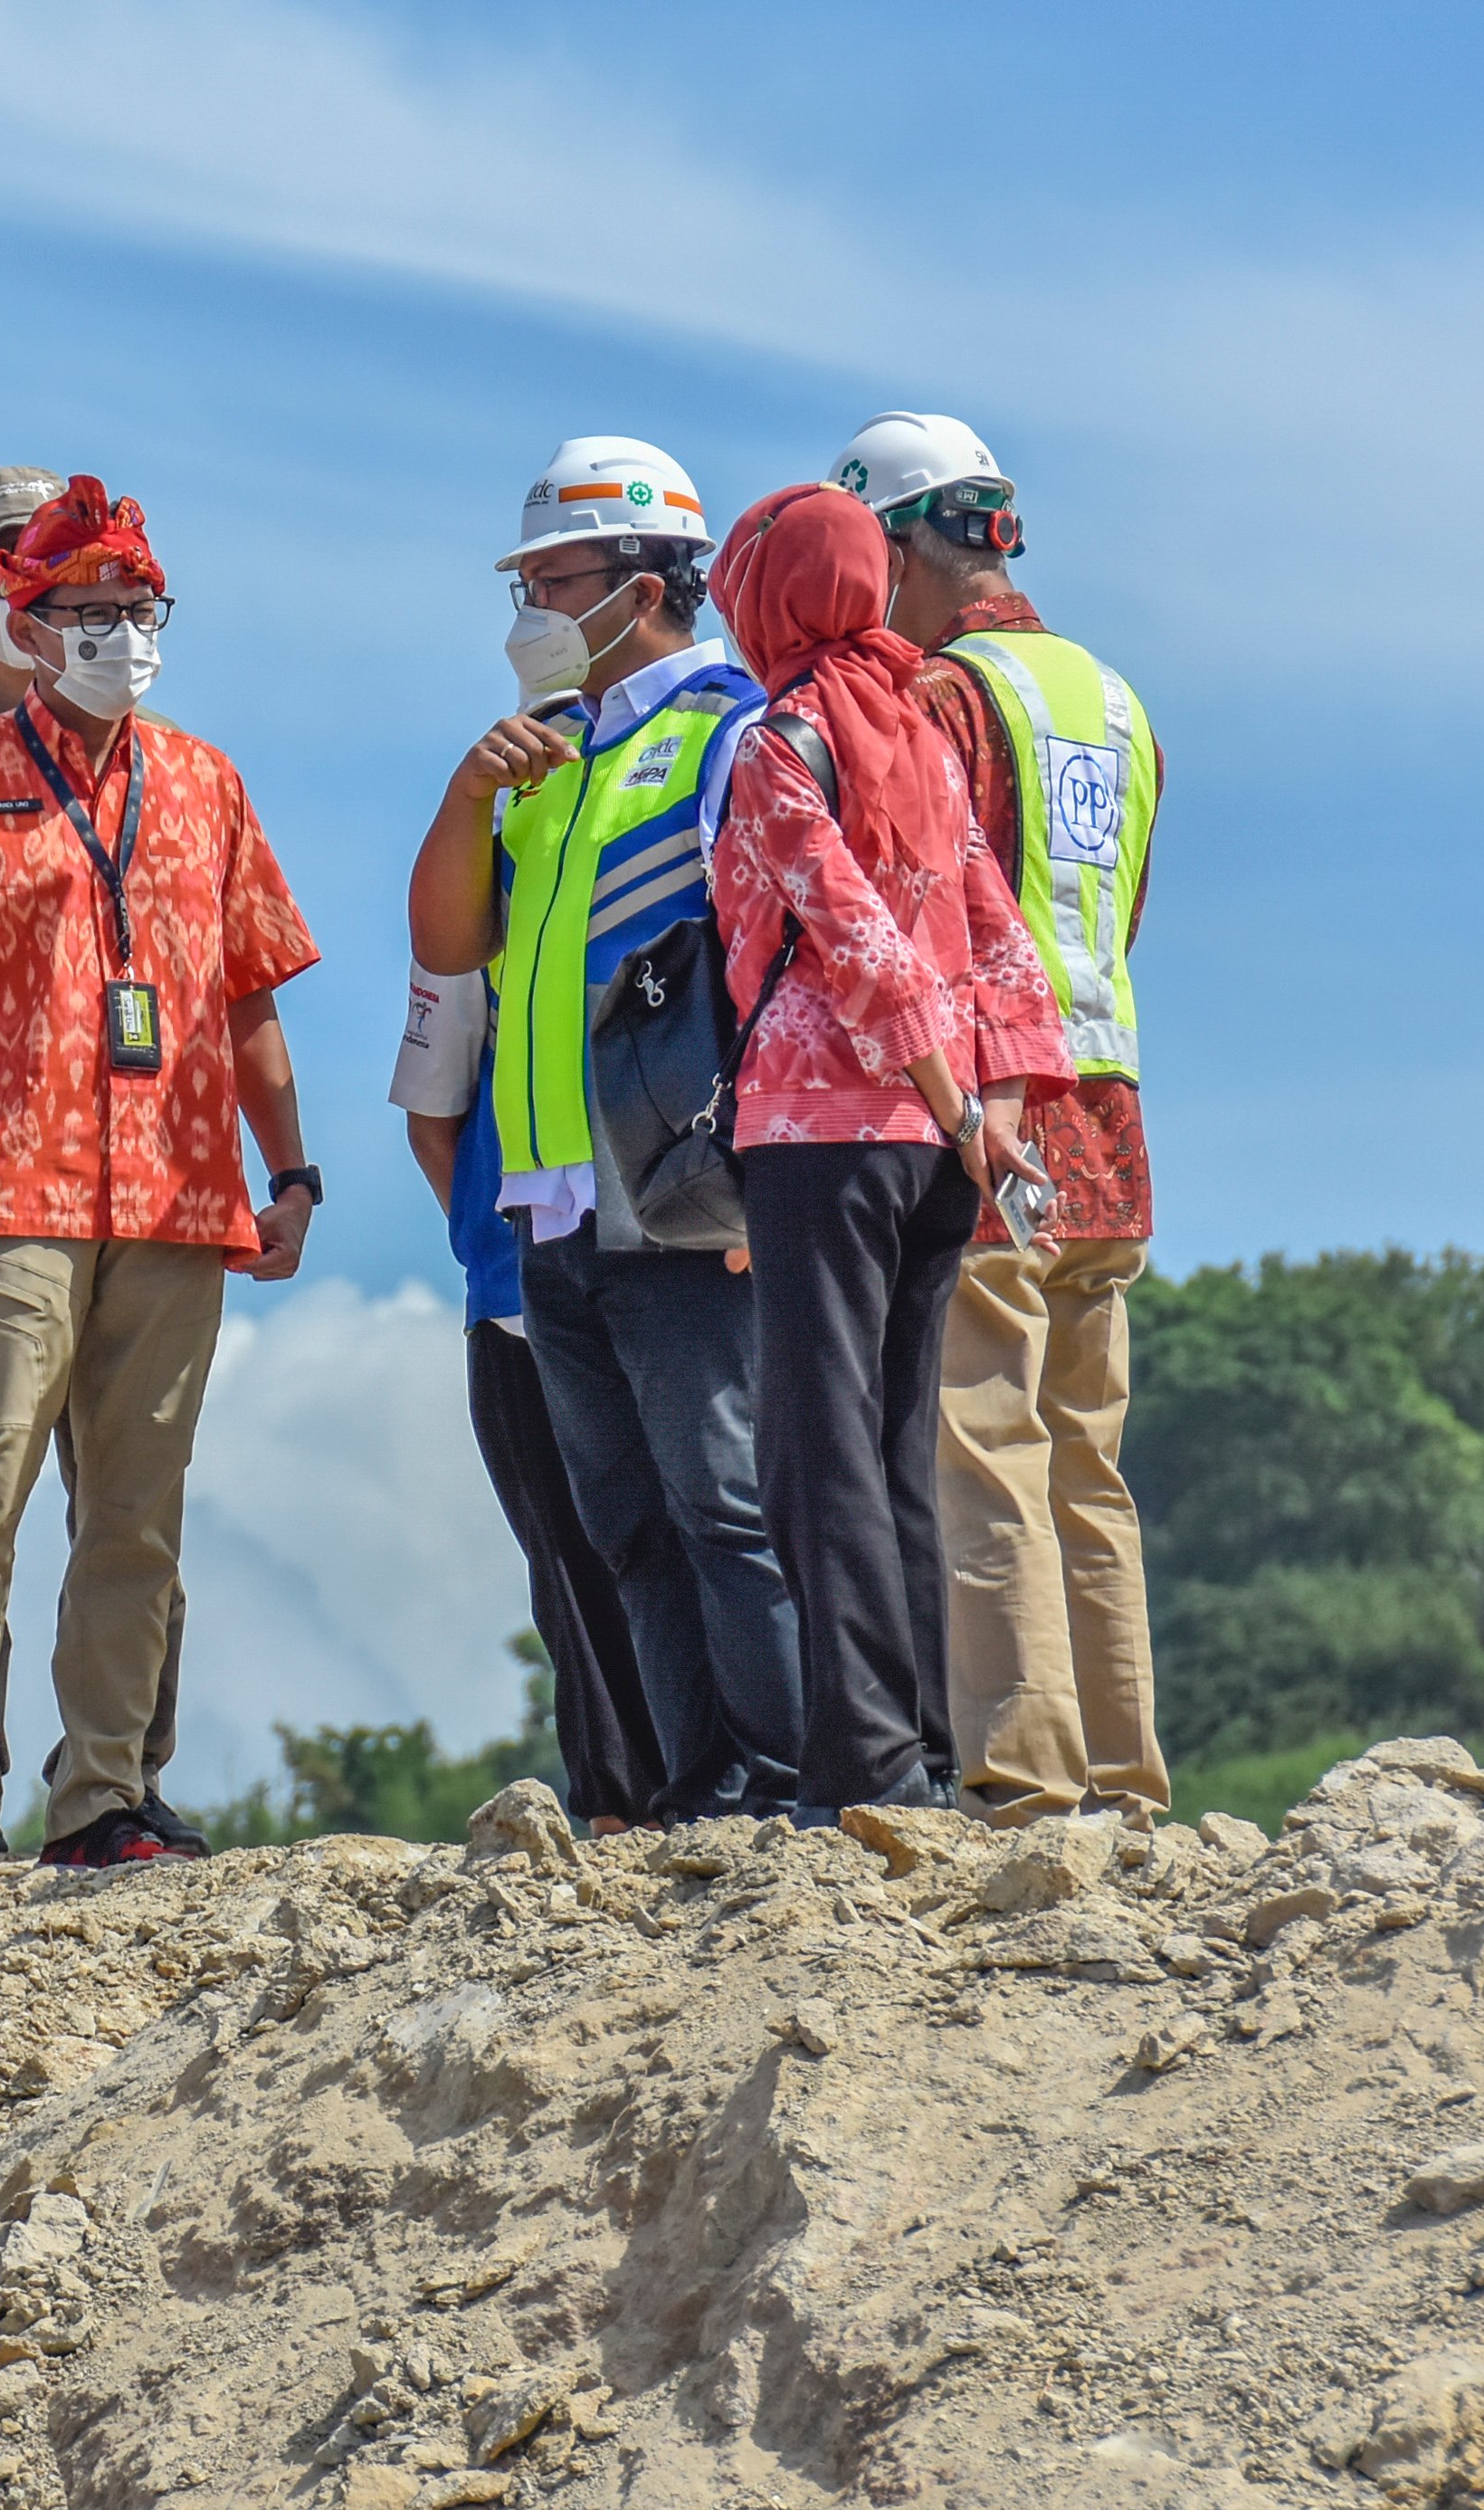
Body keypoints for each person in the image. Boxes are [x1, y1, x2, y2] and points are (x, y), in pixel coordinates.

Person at [0, 477, 321, 1879]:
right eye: (85, 612)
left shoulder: (207, 781)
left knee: (136, 1515)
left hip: (173, 1193)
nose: (114, 634)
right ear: (24, 627)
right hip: (6, 1195)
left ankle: (105, 1792)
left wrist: (294, 1172)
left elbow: (251, 994)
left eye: (134, 610)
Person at [404, 436, 805, 1821]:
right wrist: (472, 796)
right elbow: (453, 948)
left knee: (727, 1506)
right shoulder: (551, 758)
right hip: (554, 1198)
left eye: (549, 578)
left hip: (681, 1196)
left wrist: (761, 1187)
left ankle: (788, 1773)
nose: (525, 609)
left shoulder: (726, 733)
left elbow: (768, 957)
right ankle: (699, 1783)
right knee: (628, 1523)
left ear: (641, 586)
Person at [704, 482, 1072, 1817]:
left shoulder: (782, 737)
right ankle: (917, 1744)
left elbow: (849, 932)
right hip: (936, 1147)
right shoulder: (917, 729)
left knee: (818, 1450)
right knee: (898, 1435)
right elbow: (994, 927)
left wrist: (941, 1082)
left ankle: (856, 1760)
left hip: (821, 1127)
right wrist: (993, 1108)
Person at [833, 412, 1172, 1824]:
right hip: (1117, 1120)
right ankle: (1124, 1773)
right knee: (1090, 1460)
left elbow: (931, 924)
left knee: (985, 1449)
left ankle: (1026, 1778)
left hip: (1000, 1115)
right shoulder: (1114, 698)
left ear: (912, 544)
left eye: (871, 555)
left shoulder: (947, 702)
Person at [389, 963, 664, 1828]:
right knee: (573, 1572)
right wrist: (483, 1240)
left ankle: (715, 1787)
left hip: (670, 1255)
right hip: (519, 1287)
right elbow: (432, 1117)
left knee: (691, 1533)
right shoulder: (477, 900)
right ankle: (622, 1811)